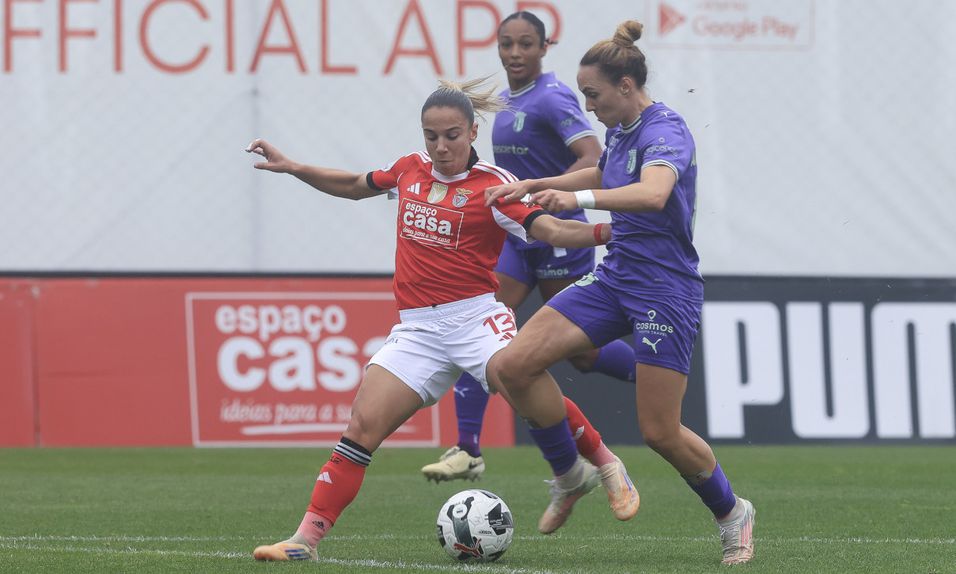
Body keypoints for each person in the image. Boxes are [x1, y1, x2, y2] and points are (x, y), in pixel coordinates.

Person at [244, 78, 638, 562]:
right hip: (416, 331)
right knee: (362, 425)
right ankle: (304, 541)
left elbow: (552, 228)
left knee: (519, 379)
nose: (440, 146)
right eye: (431, 135)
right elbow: (352, 186)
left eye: (451, 135)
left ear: (473, 132)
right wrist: (293, 167)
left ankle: (604, 463)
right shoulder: (410, 170)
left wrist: (609, 230)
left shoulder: (495, 185)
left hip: (475, 319)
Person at [484, 20, 757, 565]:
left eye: (594, 96)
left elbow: (654, 194)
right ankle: (572, 472)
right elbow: (607, 172)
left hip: (665, 288)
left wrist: (581, 201)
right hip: (616, 276)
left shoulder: (666, 130)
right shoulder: (622, 129)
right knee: (510, 367)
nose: (588, 108)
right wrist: (536, 186)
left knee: (660, 432)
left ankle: (732, 513)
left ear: (627, 86)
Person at [421, 10, 639, 487]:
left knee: (581, 354)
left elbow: (593, 157)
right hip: (520, 236)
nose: (514, 53)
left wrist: (548, 189)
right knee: (479, 320)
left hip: (560, 233)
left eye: (525, 44)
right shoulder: (505, 100)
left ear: (544, 49)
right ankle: (469, 448)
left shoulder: (555, 97)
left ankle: (650, 369)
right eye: (506, 44)